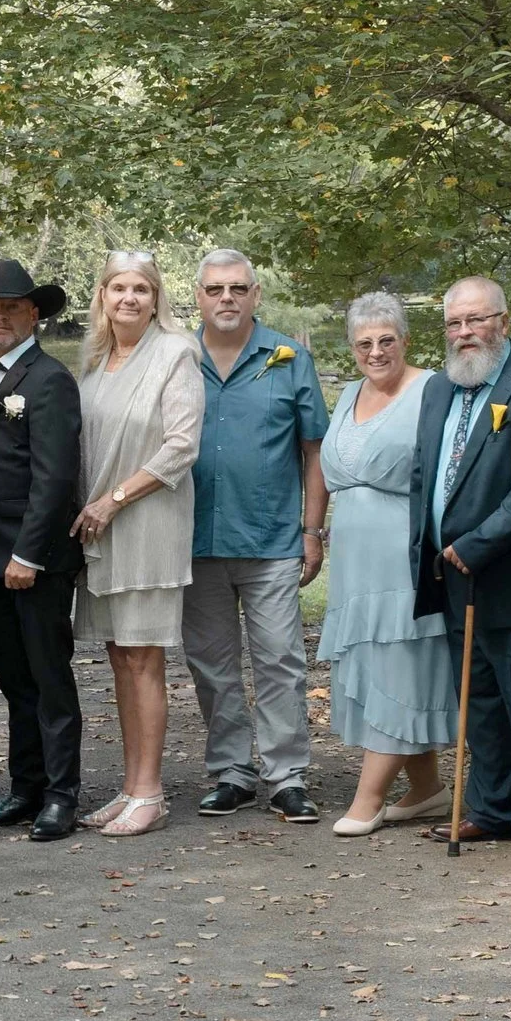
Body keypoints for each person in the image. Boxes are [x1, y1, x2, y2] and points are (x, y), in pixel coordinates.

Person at [408, 276, 511, 857]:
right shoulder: (437, 389)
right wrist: (428, 547)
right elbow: (426, 474)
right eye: (454, 323)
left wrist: (478, 544)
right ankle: (490, 807)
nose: (464, 332)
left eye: (476, 320)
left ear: (503, 320)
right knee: (477, 700)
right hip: (450, 574)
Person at [180, 250, 329, 823]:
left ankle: (286, 776)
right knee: (211, 665)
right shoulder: (176, 357)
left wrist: (313, 531)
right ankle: (231, 772)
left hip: (270, 538)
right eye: (215, 288)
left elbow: (313, 449)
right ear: (198, 294)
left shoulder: (288, 359)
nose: (226, 299)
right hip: (196, 538)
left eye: (237, 288)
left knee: (281, 662)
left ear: (256, 293)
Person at [71, 252, 203, 838]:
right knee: (119, 655)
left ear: (156, 299)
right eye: (118, 288)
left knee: (145, 656)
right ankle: (129, 786)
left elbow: (181, 445)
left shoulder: (175, 353)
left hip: (147, 523)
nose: (129, 298)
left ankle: (151, 791)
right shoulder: (96, 361)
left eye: (141, 289)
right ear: (101, 296)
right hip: (99, 527)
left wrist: (113, 499)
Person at [0, 258, 87, 841]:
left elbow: (54, 478)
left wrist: (28, 556)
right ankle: (27, 786)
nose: (0, 316)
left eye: (12, 307)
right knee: (14, 681)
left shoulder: (50, 379)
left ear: (35, 314)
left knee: (50, 679)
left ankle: (62, 795)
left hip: (34, 561)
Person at [317, 292, 454, 836]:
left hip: (404, 554)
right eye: (364, 343)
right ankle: (426, 788)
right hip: (353, 563)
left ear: (406, 340)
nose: (375, 352)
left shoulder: (433, 388)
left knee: (402, 666)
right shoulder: (349, 392)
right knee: (375, 669)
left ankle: (368, 797)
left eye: (386, 340)